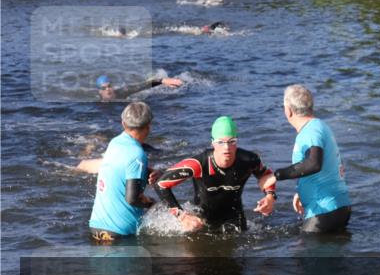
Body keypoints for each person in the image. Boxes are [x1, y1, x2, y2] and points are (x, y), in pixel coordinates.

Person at [88, 102, 202, 241]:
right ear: (149, 126)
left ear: (123, 123)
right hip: (121, 235)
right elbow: (132, 198)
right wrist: (152, 204)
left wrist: (149, 172)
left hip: (97, 229)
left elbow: (123, 169)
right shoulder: (137, 154)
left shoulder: (115, 143)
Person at [154, 116, 277, 232]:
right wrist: (182, 216)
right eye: (221, 142)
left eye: (231, 141)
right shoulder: (198, 164)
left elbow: (265, 175)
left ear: (237, 142)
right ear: (212, 143)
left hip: (235, 220)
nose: (226, 147)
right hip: (201, 222)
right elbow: (161, 184)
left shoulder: (249, 160)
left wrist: (270, 196)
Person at [272, 85, 350, 233]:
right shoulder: (318, 126)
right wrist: (301, 190)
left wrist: (276, 175)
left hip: (324, 211)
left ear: (288, 110)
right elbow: (328, 164)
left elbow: (314, 163)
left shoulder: (311, 131)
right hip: (338, 207)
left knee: (303, 254)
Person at [96, 73, 183, 101]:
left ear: (113, 86)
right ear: (100, 91)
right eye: (104, 88)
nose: (107, 90)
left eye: (109, 86)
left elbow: (143, 86)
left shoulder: (123, 91)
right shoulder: (99, 104)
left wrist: (162, 81)